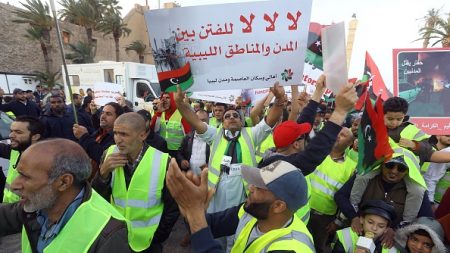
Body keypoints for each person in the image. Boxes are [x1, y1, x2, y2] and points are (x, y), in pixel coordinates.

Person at [174, 82, 286, 250]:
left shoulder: (251, 134)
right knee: (216, 229)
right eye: (227, 116)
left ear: (242, 122)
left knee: (237, 231)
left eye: (236, 115)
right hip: (217, 190)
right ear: (222, 123)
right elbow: (195, 121)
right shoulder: (214, 134)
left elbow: (270, 120)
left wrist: (278, 100)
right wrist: (181, 105)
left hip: (243, 190)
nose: (232, 117)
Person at [0, 139, 130, 253]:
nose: (14, 185)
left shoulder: (108, 234)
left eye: (25, 177)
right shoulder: (35, 205)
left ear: (64, 182)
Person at [166, 159, 315, 253]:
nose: (250, 187)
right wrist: (190, 209)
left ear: (278, 206)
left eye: (258, 187)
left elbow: (200, 225)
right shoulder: (251, 211)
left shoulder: (292, 248)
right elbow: (210, 225)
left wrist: (195, 212)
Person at [92, 112, 176, 253]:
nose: (118, 140)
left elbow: (172, 208)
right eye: (115, 133)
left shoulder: (163, 161)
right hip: (116, 237)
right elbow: (98, 198)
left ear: (142, 135)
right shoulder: (109, 154)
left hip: (148, 243)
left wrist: (157, 237)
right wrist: (103, 173)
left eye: (124, 134)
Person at [335, 149, 434, 248]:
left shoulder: (416, 192)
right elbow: (340, 196)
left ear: (408, 171)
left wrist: (396, 230)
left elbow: (426, 221)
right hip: (357, 231)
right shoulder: (365, 178)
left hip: (388, 243)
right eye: (390, 165)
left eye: (401, 168)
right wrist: (353, 216)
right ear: (382, 164)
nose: (394, 171)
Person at [307, 127, 357, 253]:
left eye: (343, 135)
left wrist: (338, 222)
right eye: (337, 133)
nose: (338, 136)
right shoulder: (316, 152)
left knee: (317, 248)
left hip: (324, 219)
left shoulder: (351, 168)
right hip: (301, 210)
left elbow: (349, 198)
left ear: (350, 143)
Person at [73, 102, 125, 179]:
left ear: (118, 118)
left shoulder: (118, 138)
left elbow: (102, 156)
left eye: (108, 114)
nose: (102, 116)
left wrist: (84, 136)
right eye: (102, 113)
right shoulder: (99, 133)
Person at [1, 116, 44, 203]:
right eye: (11, 131)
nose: (11, 135)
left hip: (26, 212)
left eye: (18, 132)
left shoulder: (44, 162)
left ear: (35, 137)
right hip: (9, 207)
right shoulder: (15, 150)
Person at [332, 200, 398, 253]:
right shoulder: (346, 236)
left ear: (386, 228)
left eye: (381, 226)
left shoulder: (391, 248)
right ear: (362, 219)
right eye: (370, 222)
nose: (374, 228)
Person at [150, 92, 192, 157]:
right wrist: (158, 112)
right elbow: (152, 130)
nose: (164, 100)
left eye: (167, 98)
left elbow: (189, 137)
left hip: (178, 153)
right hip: (163, 152)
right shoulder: (161, 114)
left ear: (173, 99)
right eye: (163, 98)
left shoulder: (181, 114)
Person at [176, 109, 210, 175]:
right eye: (198, 120)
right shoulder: (188, 137)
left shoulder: (215, 138)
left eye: (203, 120)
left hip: (208, 178)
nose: (200, 123)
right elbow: (179, 153)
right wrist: (182, 161)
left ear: (209, 121)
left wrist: (210, 166)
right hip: (190, 176)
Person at [422, 135, 450, 209]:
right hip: (439, 204)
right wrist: (430, 202)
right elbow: (431, 178)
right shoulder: (446, 153)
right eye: (448, 135)